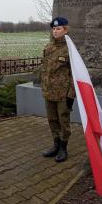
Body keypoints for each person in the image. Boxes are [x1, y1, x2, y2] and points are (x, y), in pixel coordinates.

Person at [41, 17, 75, 162]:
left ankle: (63, 148)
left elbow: (75, 74)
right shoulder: (48, 47)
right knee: (52, 120)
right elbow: (45, 70)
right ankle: (55, 145)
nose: (55, 31)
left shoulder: (70, 49)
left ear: (65, 30)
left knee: (63, 121)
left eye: (58, 28)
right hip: (49, 92)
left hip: (63, 94)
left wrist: (71, 96)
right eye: (54, 29)